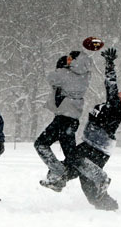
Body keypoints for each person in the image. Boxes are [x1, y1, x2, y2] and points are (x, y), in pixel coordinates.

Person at [42, 48, 121, 211]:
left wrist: (109, 64)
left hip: (97, 149)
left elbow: (111, 85)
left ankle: (59, 180)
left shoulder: (116, 108)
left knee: (73, 163)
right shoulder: (111, 107)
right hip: (91, 146)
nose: (120, 94)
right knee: (90, 192)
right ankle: (112, 208)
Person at [35, 50, 92, 187]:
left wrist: (61, 67)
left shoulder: (66, 74)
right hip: (71, 119)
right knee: (71, 155)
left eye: (70, 59)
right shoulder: (85, 76)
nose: (68, 61)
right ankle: (98, 176)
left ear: (76, 60)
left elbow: (50, 78)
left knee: (40, 144)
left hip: (63, 119)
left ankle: (59, 172)